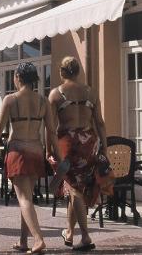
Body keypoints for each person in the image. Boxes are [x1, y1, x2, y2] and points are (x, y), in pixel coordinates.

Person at [0, 63, 54, 254]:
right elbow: (51, 130)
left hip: (18, 151)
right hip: (36, 150)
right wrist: (55, 153)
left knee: (23, 198)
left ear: (18, 77)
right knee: (27, 197)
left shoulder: (10, 99)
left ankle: (38, 239)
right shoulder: (43, 101)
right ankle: (24, 240)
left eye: (14, 76)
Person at [48, 56, 113, 252]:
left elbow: (50, 127)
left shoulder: (56, 94)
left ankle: (85, 236)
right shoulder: (91, 92)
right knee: (76, 187)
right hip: (89, 142)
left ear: (62, 72)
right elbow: (100, 122)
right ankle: (69, 231)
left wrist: (48, 149)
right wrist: (105, 147)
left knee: (74, 189)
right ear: (78, 72)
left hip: (67, 143)